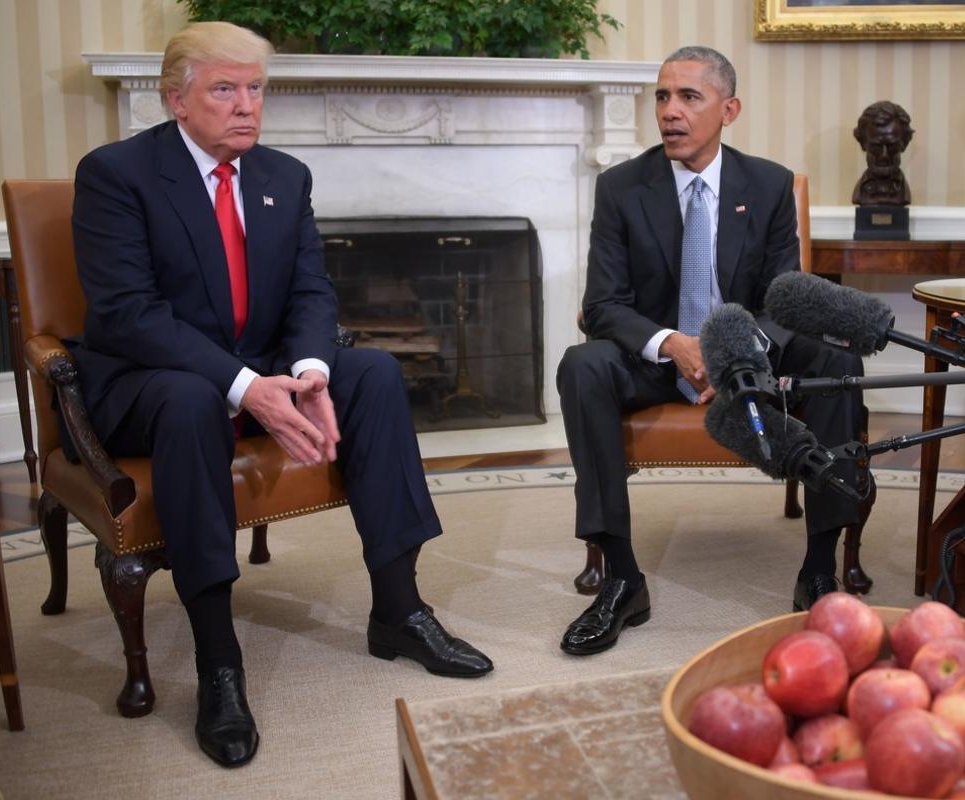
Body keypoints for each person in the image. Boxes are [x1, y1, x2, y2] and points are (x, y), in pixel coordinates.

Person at [69, 21, 492, 768]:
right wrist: (245, 387)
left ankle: (399, 610)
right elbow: (128, 314)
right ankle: (218, 663)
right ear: (177, 99)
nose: (245, 106)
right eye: (224, 89)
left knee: (376, 374)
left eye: (255, 88)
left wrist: (308, 374)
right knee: (191, 398)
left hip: (259, 364)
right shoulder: (116, 174)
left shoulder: (282, 177)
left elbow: (309, 290)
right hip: (143, 384)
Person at [556, 46, 864, 656]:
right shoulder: (621, 187)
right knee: (581, 364)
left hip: (746, 355)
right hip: (656, 360)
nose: (670, 112)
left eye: (689, 98)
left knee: (838, 363)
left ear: (729, 109)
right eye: (662, 98)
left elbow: (782, 301)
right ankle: (622, 579)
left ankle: (821, 570)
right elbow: (603, 304)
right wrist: (674, 344)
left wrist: (729, 357)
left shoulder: (768, 184)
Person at [851, 100, 914, 206]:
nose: (884, 155)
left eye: (892, 146)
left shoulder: (903, 193)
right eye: (876, 147)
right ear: (863, 144)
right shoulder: (860, 193)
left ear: (904, 144)